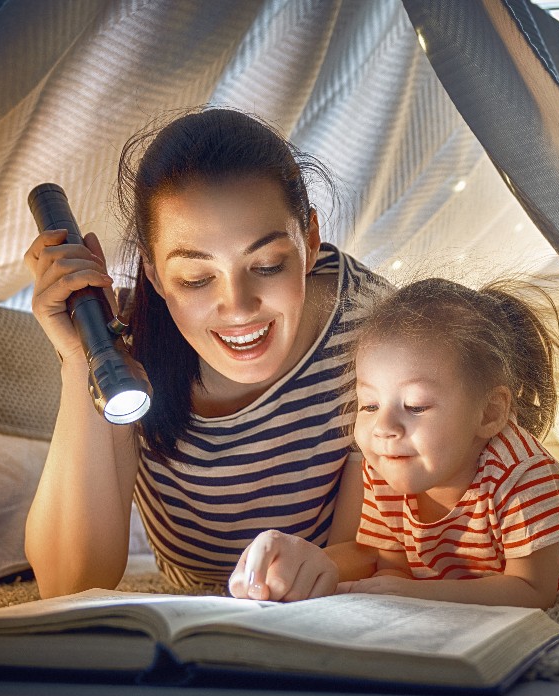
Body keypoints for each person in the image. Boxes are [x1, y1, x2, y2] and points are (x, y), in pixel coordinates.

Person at [23, 107, 389, 599]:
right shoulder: (127, 347)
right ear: (153, 275)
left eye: (267, 265)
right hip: (193, 616)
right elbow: (70, 583)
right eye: (196, 278)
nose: (237, 308)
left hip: (318, 607)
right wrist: (78, 357)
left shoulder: (374, 331)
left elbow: (376, 553)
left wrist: (324, 567)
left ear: (310, 239)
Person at [234, 277, 559, 607]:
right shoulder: (387, 462)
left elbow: (533, 592)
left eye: (416, 406)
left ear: (488, 412)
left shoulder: (525, 476)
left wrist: (415, 596)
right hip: (543, 518)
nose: (384, 427)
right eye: (368, 403)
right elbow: (391, 566)